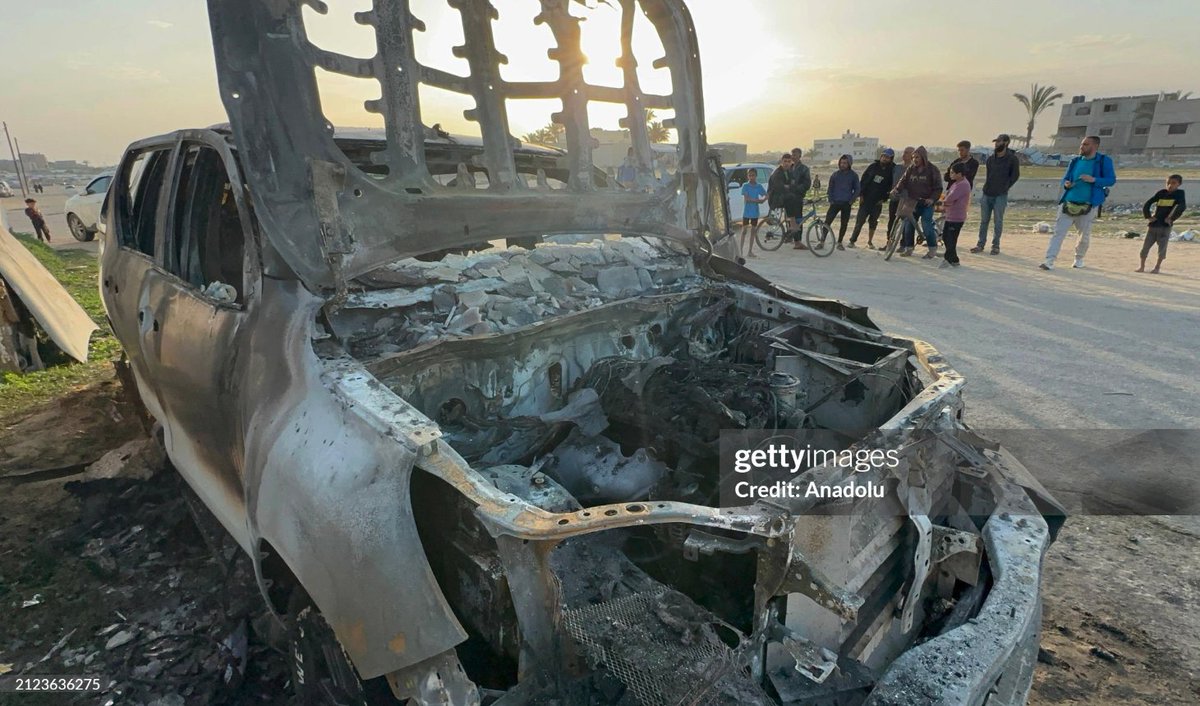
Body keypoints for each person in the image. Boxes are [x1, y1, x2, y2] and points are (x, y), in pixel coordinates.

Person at [1041, 135, 1116, 270]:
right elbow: (1065, 178)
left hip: (1088, 204)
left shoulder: (1103, 161)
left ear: (1094, 146)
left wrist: (1093, 180)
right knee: (1058, 233)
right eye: (1082, 144)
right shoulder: (1075, 161)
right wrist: (1066, 184)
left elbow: (1111, 180)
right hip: (1068, 202)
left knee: (1083, 236)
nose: (1082, 147)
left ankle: (1079, 258)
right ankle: (1049, 260)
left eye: (1086, 144)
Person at [972, 134, 1021, 255]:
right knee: (984, 221)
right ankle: (980, 244)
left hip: (1000, 195)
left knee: (998, 221)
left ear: (1006, 143)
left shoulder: (1012, 159)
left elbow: (1015, 176)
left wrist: (1005, 187)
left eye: (999, 142)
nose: (996, 144)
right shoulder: (990, 159)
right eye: (996, 142)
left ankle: (995, 246)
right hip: (987, 193)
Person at [891, 146, 941, 258]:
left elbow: (938, 188)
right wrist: (896, 189)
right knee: (908, 224)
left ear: (923, 157)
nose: (915, 159)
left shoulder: (933, 169)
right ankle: (909, 248)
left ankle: (932, 249)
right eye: (913, 157)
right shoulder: (911, 168)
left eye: (917, 157)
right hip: (912, 201)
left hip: (926, 203)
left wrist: (932, 199)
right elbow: (903, 181)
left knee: (926, 224)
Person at [1137, 174, 1186, 274]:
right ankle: (1142, 266)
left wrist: (1171, 218)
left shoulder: (1179, 194)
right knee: (1145, 248)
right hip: (1153, 225)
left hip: (1165, 226)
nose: (1170, 185)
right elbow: (1148, 203)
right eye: (1168, 183)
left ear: (1179, 184)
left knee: (1162, 249)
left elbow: (1182, 207)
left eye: (1173, 183)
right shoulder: (1161, 193)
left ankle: (1157, 267)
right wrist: (1148, 216)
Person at [850, 149, 894, 248]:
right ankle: (852, 240)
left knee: (873, 223)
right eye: (883, 156)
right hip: (866, 199)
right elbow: (863, 181)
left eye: (887, 157)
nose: (884, 159)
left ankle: (870, 242)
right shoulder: (873, 167)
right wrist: (861, 195)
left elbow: (891, 186)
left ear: (891, 159)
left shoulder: (891, 170)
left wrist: (884, 198)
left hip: (878, 202)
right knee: (859, 221)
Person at [767, 154, 806, 250]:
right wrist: (788, 186)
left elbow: (792, 184)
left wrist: (789, 186)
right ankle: (792, 224)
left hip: (783, 196)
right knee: (791, 198)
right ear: (781, 161)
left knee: (795, 200)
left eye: (789, 161)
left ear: (791, 162)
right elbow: (779, 187)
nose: (787, 163)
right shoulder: (777, 173)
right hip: (775, 198)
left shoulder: (788, 172)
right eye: (785, 161)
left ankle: (795, 239)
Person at [939, 163, 970, 268]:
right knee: (946, 237)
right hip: (950, 215)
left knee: (951, 239)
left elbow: (951, 198)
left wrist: (943, 202)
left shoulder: (963, 185)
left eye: (952, 172)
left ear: (960, 174)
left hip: (957, 216)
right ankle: (954, 259)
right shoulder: (956, 183)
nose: (950, 174)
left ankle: (947, 259)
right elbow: (948, 195)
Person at [826, 155, 860, 249]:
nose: (843, 165)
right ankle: (821, 240)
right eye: (841, 163)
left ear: (849, 163)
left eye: (845, 163)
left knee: (844, 224)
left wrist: (851, 201)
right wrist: (831, 200)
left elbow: (857, 189)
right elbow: (830, 188)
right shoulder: (835, 175)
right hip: (835, 203)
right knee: (827, 222)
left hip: (846, 203)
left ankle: (840, 242)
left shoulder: (853, 175)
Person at [886, 147, 915, 238]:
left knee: (906, 222)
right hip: (895, 197)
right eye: (904, 152)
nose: (904, 154)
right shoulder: (897, 167)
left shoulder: (914, 169)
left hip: (906, 199)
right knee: (892, 220)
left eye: (907, 153)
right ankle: (889, 242)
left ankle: (904, 243)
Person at [739, 168, 768, 258]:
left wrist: (763, 200)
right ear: (748, 176)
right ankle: (740, 251)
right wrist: (758, 200)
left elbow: (766, 195)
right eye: (750, 175)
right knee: (744, 231)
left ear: (756, 176)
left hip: (755, 212)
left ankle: (750, 251)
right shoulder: (745, 186)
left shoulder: (758, 186)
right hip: (747, 212)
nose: (751, 177)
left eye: (753, 175)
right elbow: (747, 199)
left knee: (753, 232)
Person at [789, 148, 812, 219]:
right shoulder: (790, 168)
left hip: (798, 197)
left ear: (800, 156)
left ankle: (798, 230)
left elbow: (807, 184)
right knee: (789, 220)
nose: (793, 157)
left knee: (798, 219)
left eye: (795, 155)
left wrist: (796, 188)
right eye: (792, 155)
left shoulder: (804, 169)